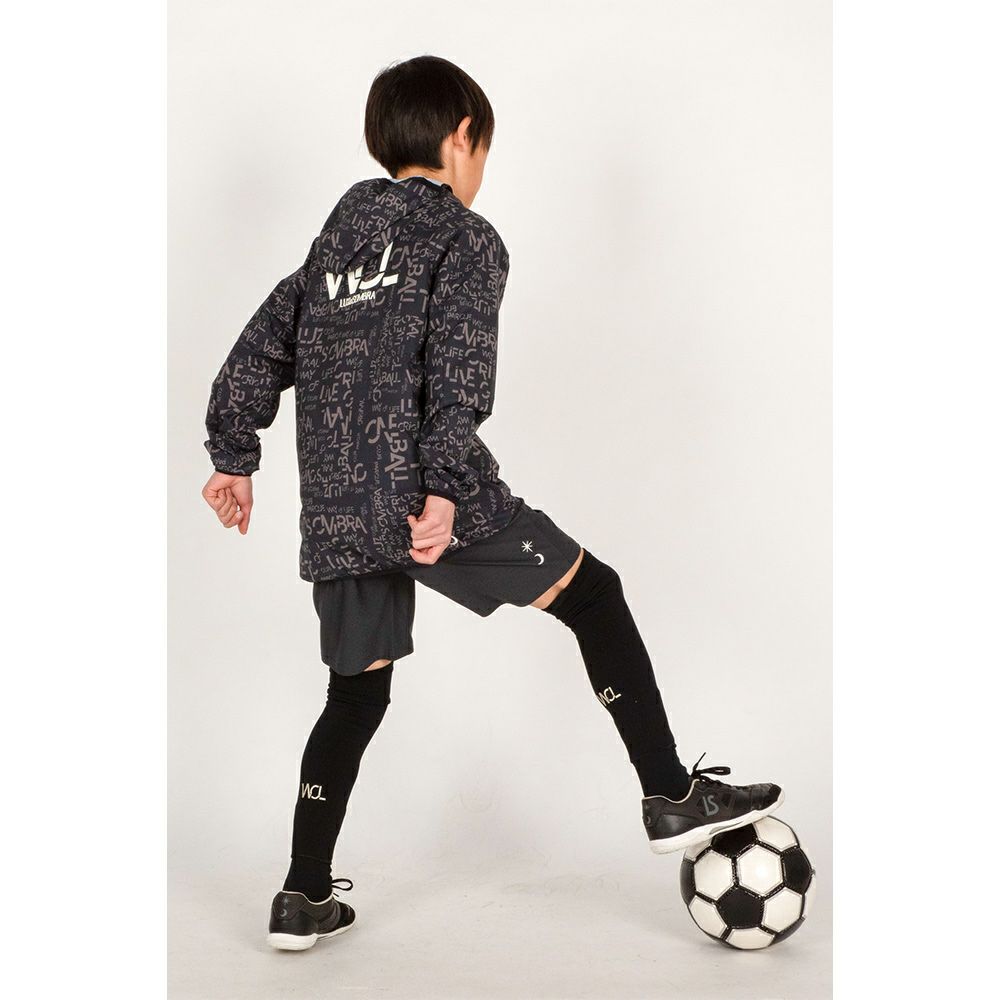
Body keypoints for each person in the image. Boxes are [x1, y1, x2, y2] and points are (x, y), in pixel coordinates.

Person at [202, 55, 782, 952]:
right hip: (422, 496)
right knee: (594, 595)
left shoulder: (332, 246)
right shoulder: (465, 238)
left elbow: (259, 347)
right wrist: (442, 486)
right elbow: (460, 368)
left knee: (353, 697)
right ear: (462, 136)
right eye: (483, 150)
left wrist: (233, 456)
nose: (482, 170)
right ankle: (669, 792)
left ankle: (301, 895)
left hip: (338, 512)